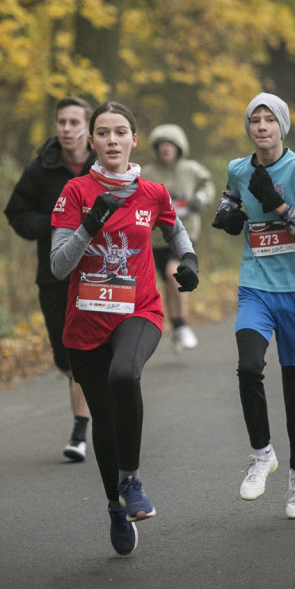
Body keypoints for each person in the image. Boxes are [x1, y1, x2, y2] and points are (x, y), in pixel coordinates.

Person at [49, 101, 199, 555]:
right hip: (85, 322)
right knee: (104, 419)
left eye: (120, 132)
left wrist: (189, 260)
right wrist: (89, 224)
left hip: (140, 311)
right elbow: (58, 267)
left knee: (124, 376)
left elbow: (175, 231)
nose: (112, 140)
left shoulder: (152, 191)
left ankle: (131, 482)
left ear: (134, 140)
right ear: (90, 141)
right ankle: (116, 507)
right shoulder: (74, 191)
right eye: (103, 133)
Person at [211, 92, 295, 520]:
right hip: (255, 286)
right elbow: (229, 201)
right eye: (254, 120)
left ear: (282, 126)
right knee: (248, 366)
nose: (261, 126)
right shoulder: (239, 168)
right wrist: (228, 217)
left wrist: (277, 203)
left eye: (269, 120)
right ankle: (262, 454)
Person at [4, 96, 95, 462]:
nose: (67, 129)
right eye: (62, 122)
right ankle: (80, 386)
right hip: (54, 275)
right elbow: (16, 212)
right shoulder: (41, 168)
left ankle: (80, 432)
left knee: (83, 354)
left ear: (88, 127)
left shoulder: (103, 164)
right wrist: (54, 223)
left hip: (97, 275)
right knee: (63, 356)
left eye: (75, 122)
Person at [140, 123, 215, 352]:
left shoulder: (191, 169)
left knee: (174, 275)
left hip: (183, 235)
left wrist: (200, 199)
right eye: (161, 145)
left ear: (179, 147)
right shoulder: (146, 173)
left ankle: (182, 324)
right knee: (166, 281)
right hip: (154, 239)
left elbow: (208, 185)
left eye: (170, 144)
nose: (166, 149)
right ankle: (176, 327)